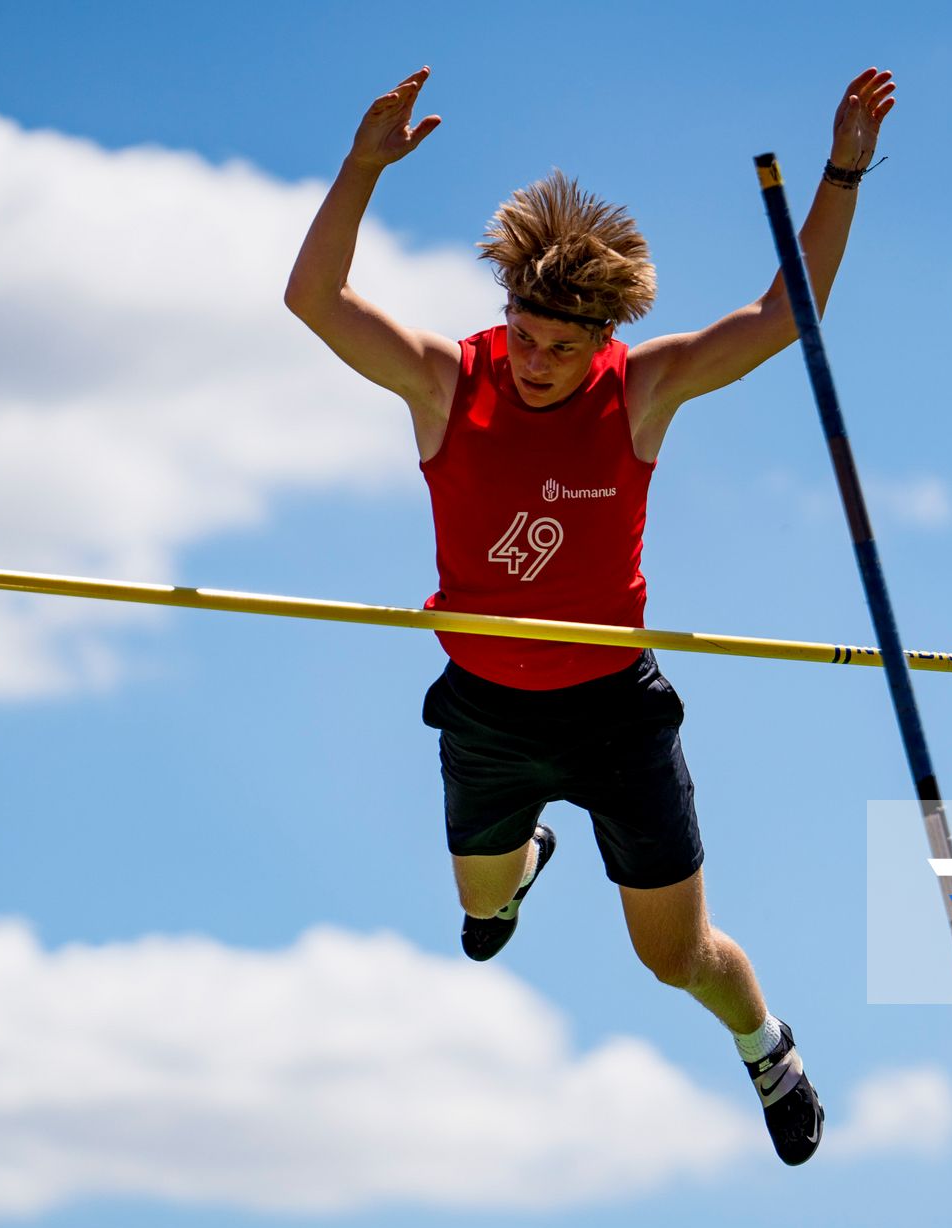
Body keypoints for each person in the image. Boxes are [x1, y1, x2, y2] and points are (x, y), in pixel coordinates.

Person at [284, 65, 895, 1167]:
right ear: (506, 309)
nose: (539, 361)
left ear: (602, 336)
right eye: (526, 335)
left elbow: (781, 316)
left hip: (615, 712)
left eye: (565, 347)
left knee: (675, 957)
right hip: (486, 709)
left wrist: (843, 170)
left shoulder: (639, 391)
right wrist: (361, 169)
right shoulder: (445, 383)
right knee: (484, 920)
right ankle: (522, 858)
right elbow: (313, 303)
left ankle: (770, 1049)